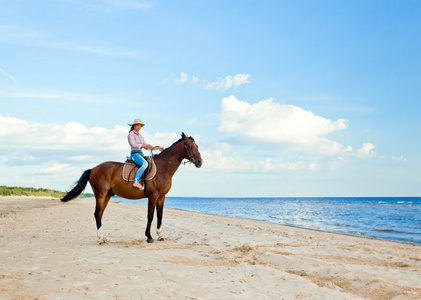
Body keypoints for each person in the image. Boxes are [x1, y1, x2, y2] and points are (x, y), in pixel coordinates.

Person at [128, 118, 164, 190]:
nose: (139, 127)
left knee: (151, 163)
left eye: (140, 125)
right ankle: (136, 181)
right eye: (137, 125)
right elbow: (133, 144)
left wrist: (157, 148)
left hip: (141, 154)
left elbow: (146, 145)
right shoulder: (131, 134)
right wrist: (144, 146)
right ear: (134, 126)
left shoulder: (140, 135)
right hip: (134, 154)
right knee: (145, 164)